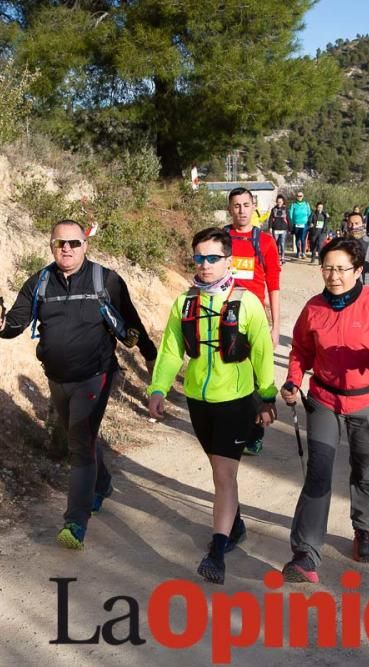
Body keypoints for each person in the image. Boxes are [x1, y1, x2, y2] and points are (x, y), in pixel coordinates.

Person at [0, 220, 157, 549]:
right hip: (56, 378)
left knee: (79, 447)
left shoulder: (105, 280)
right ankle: (103, 483)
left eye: (74, 243)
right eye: (59, 243)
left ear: (85, 245)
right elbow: (16, 323)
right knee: (80, 438)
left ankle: (75, 522)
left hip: (96, 375)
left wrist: (151, 359)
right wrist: (0, 323)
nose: (67, 248)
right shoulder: (40, 281)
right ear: (51, 246)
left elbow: (133, 322)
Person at [280, 238, 369, 583]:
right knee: (319, 472)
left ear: (358, 271)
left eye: (341, 269)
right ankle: (305, 554)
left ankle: (364, 528)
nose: (334, 276)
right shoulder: (313, 308)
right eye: (327, 268)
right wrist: (294, 380)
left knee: (365, 468)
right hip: (324, 399)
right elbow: (300, 350)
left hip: (368, 399)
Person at [147, 227, 277, 584]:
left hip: (236, 402)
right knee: (220, 472)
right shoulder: (184, 302)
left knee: (223, 475)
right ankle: (234, 525)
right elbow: (172, 350)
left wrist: (267, 397)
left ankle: (217, 551)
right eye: (199, 258)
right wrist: (158, 389)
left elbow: (264, 353)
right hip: (198, 401)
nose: (204, 265)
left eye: (212, 258)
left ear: (228, 260)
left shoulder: (247, 302)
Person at [224, 187, 283, 456]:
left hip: (255, 319)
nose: (241, 210)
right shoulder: (220, 239)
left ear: (253, 206)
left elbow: (274, 286)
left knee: (259, 377)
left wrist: (276, 326)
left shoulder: (266, 241)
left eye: (246, 205)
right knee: (230, 374)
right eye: (236, 206)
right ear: (229, 209)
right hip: (226, 319)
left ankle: (254, 434)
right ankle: (231, 428)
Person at [289, 190, 312, 260]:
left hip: (304, 224)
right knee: (297, 239)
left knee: (303, 239)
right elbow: (290, 214)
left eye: (300, 196)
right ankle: (298, 251)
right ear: (296, 196)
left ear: (303, 196)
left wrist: (309, 222)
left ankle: (303, 253)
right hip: (296, 224)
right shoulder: (293, 204)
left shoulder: (306, 204)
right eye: (298, 196)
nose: (299, 197)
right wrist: (292, 223)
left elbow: (309, 213)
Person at [268, 195, 290, 264]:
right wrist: (270, 227)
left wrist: (290, 228)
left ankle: (283, 258)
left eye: (280, 201)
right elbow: (271, 219)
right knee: (276, 244)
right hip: (276, 229)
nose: (279, 203)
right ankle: (277, 258)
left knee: (282, 244)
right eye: (278, 202)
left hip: (284, 229)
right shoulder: (273, 209)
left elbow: (289, 219)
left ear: (283, 202)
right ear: (276, 202)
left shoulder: (286, 209)